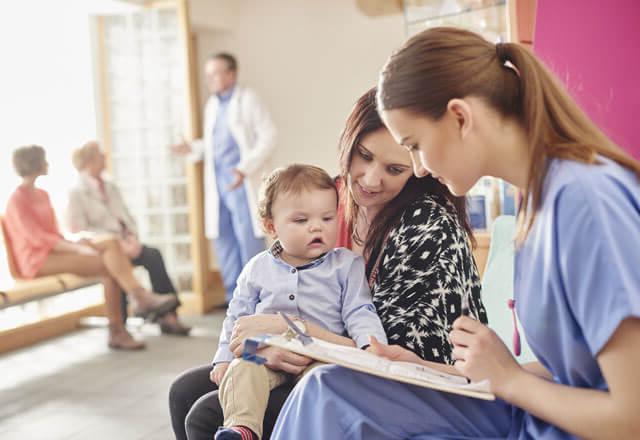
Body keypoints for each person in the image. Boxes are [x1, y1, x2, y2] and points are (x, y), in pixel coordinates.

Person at [271, 27, 640, 440]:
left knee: (328, 403)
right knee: (328, 390)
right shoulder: (541, 202)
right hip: (530, 416)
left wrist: (510, 380)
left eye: (414, 146)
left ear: (460, 118)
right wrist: (423, 368)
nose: (420, 168)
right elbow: (573, 372)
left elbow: (632, 416)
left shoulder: (584, 202)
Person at [168, 88, 485, 440]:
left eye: (394, 168)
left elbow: (387, 357)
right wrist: (255, 350)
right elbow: (240, 319)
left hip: (393, 382)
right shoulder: (335, 201)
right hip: (310, 350)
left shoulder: (425, 226)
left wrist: (286, 331)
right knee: (184, 391)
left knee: (206, 413)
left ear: (417, 166)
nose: (370, 179)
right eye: (363, 156)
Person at [212, 164, 387, 440]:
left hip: (321, 355)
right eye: (301, 221)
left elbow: (359, 310)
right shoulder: (256, 268)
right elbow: (236, 316)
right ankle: (242, 429)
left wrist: (372, 344)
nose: (317, 227)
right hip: (265, 352)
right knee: (241, 367)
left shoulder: (346, 265)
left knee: (321, 384)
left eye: (327, 218)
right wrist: (222, 358)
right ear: (272, 226)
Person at [4, 145, 180, 350]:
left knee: (111, 243)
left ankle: (137, 302)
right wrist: (75, 249)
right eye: (44, 160)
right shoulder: (16, 200)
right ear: (35, 164)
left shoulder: (42, 194)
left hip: (56, 250)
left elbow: (53, 233)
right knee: (108, 266)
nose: (48, 163)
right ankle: (125, 320)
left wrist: (76, 243)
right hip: (36, 261)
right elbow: (36, 239)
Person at [172, 52, 276, 303]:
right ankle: (234, 301)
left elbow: (269, 136)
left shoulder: (247, 100)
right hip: (219, 185)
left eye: (216, 73)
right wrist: (192, 149)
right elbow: (213, 146)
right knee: (224, 242)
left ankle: (256, 301)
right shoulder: (213, 105)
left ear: (232, 73)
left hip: (241, 182)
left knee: (248, 241)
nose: (211, 80)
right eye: (208, 75)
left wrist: (245, 167)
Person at [66, 140, 191, 335]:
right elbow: (78, 230)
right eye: (100, 154)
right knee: (117, 262)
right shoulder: (76, 193)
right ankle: (121, 326)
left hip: (126, 243)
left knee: (153, 255)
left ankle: (169, 316)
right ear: (90, 161)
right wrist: (116, 243)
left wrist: (132, 239)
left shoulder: (110, 186)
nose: (105, 156)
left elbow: (126, 217)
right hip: (104, 249)